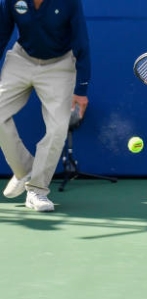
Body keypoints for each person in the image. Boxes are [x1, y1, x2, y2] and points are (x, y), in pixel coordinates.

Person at [0, 0, 91, 212]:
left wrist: (81, 90)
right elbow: (1, 34)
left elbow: (81, 42)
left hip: (59, 65)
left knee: (58, 128)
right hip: (21, 59)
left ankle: (37, 190)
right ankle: (25, 170)